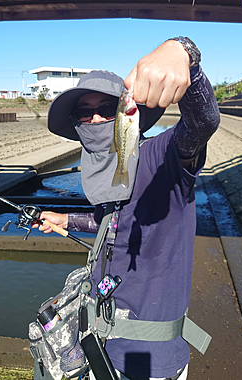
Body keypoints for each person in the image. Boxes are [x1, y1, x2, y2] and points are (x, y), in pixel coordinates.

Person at [33, 37, 220, 380]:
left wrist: (184, 55)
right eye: (85, 112)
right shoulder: (101, 170)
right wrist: (65, 219)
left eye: (107, 108)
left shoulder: (163, 158)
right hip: (98, 348)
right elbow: (111, 222)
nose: (96, 119)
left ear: (128, 112)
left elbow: (202, 123)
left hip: (148, 361)